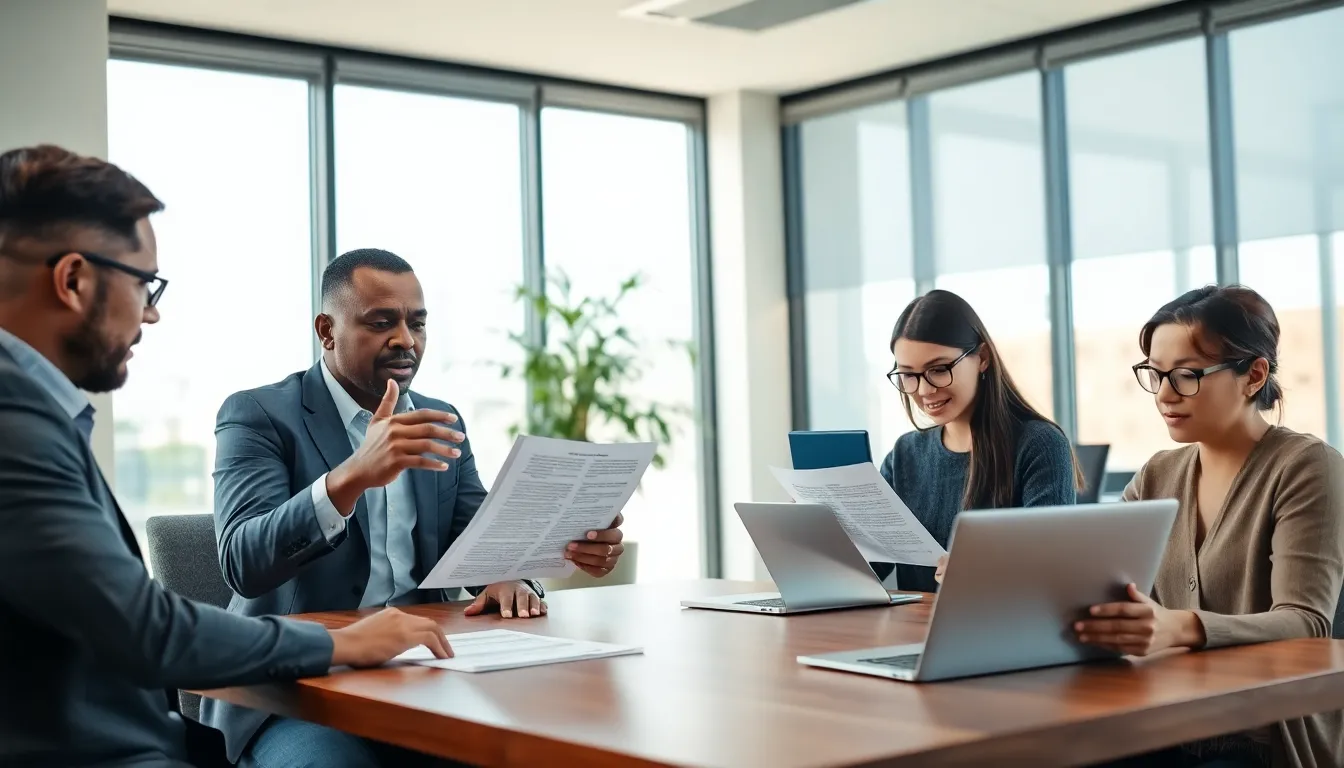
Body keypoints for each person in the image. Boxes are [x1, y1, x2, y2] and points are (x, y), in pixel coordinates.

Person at [0, 145, 452, 768]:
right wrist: (339, 643)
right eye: (144, 283)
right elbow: (147, 627)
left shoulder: (34, 411)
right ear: (73, 280)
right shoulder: (15, 424)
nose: (152, 311)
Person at [203, 247, 629, 767]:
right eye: (382, 322)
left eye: (417, 323)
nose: (406, 339)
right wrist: (351, 477)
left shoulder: (438, 418)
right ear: (327, 331)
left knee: (548, 746)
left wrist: (520, 569)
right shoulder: (259, 414)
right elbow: (243, 562)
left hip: (421, 673)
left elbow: (478, 538)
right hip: (295, 689)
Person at [1072, 286, 1344, 768]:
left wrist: (1179, 626)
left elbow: (1307, 621)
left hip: (1263, 738)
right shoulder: (1157, 474)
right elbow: (1089, 572)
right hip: (1166, 719)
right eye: (1155, 374)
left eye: (1186, 375)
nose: (1164, 394)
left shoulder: (1306, 466)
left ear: (1253, 375)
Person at [877, 289, 1080, 592]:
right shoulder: (904, 455)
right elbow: (872, 567)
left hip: (1002, 619)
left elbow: (1052, 568)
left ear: (982, 358)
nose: (924, 390)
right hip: (916, 621)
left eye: (938, 369)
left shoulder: (1040, 445)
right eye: (908, 375)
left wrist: (986, 567)